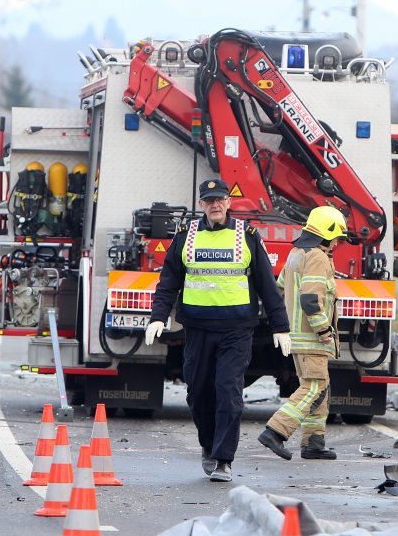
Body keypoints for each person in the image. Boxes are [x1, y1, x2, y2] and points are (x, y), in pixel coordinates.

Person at [145, 178, 290, 482]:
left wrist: (280, 326)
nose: (215, 205)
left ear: (228, 202)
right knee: (198, 392)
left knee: (228, 392)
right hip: (197, 330)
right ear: (201, 205)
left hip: (237, 331)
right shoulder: (186, 236)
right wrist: (157, 317)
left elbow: (267, 283)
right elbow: (169, 281)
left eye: (219, 199)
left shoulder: (247, 236)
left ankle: (223, 459)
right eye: (209, 200)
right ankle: (208, 445)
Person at [257, 206, 347, 462]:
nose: (338, 244)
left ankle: (313, 443)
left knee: (321, 388)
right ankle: (275, 431)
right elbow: (310, 300)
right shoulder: (317, 257)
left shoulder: (297, 253)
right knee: (314, 386)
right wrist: (323, 329)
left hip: (298, 337)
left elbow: (281, 286)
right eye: (337, 238)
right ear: (326, 233)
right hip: (312, 338)